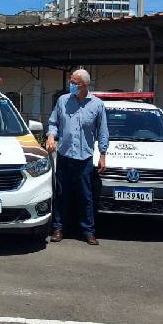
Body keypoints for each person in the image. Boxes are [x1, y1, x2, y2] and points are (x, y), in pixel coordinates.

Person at [45, 69, 109, 245]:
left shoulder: (97, 105)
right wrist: (51, 137)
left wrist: (103, 154)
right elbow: (53, 123)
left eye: (75, 83)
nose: (71, 85)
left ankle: (88, 231)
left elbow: (103, 132)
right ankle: (58, 228)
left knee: (86, 196)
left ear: (85, 85)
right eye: (71, 82)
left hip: (85, 158)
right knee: (61, 194)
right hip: (65, 155)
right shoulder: (62, 101)